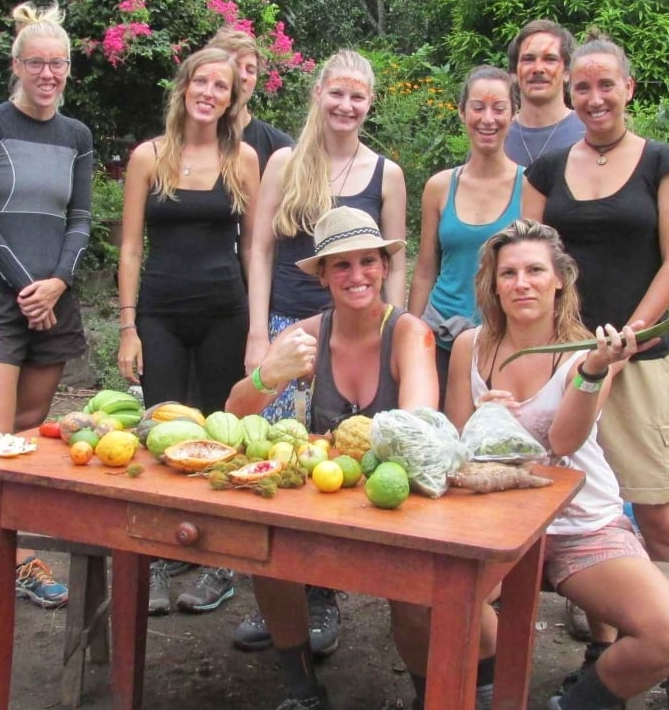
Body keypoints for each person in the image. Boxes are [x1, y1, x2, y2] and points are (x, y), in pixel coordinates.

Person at [522, 32, 669, 710]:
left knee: (660, 514)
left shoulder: (663, 164)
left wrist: (634, 332)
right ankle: (603, 649)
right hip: (568, 362)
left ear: (630, 88)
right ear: (569, 93)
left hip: (639, 361)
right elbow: (528, 253)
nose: (593, 96)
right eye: (582, 86)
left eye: (606, 83)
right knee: (583, 506)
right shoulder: (549, 168)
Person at [445, 219, 669, 710]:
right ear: (492, 284)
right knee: (437, 602)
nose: (522, 284)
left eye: (535, 271)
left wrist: (591, 373)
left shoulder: (585, 353)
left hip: (577, 522)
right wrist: (481, 419)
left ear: (560, 278)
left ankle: (578, 702)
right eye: (508, 273)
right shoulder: (468, 347)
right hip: (492, 521)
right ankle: (490, 683)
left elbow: (563, 440)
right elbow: (456, 451)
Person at [225, 207, 451, 710]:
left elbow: (417, 430)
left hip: (398, 501)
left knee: (413, 596)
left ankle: (424, 695)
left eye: (367, 262)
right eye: (341, 266)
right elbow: (232, 413)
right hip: (325, 495)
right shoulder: (308, 334)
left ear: (385, 268)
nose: (357, 276)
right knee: (269, 560)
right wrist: (269, 374)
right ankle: (303, 690)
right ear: (323, 276)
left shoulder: (410, 333)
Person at [235, 48, 409, 654]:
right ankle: (287, 595)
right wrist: (260, 331)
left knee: (336, 462)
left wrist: (396, 330)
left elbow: (396, 259)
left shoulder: (385, 173)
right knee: (281, 467)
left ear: (370, 103)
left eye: (358, 95)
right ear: (318, 94)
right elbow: (258, 249)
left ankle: (325, 598)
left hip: (355, 331)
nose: (346, 105)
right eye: (337, 93)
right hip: (288, 323)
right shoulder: (286, 161)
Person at [0, 2, 93, 647]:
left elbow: (81, 221)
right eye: (36, 62)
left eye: (57, 63)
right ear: (16, 65)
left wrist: (57, 285)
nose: (47, 73)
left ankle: (18, 562)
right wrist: (23, 287)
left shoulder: (77, 135)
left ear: (68, 68)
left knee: (28, 439)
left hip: (53, 300)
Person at [117, 46, 259, 616]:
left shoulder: (243, 159)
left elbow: (253, 247)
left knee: (223, 431)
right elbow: (129, 247)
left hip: (226, 309)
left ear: (231, 99)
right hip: (162, 312)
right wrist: (128, 327)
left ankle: (218, 560)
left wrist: (257, 329)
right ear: (184, 87)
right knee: (161, 430)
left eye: (220, 87)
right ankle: (153, 558)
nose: (209, 93)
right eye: (201, 82)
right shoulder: (148, 157)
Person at [408, 65, 524, 397]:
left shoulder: (530, 187)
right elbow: (426, 270)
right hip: (441, 335)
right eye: (478, 107)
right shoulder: (440, 187)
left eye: (499, 108)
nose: (488, 118)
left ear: (513, 114)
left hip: (503, 341)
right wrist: (413, 339)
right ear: (462, 112)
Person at [207, 27, 294, 172]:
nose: (243, 76)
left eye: (250, 70)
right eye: (234, 65)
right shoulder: (188, 142)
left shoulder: (279, 147)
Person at [505, 20, 583, 167]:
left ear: (567, 72)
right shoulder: (495, 137)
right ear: (514, 73)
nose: (538, 69)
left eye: (549, 59)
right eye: (528, 59)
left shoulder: (589, 133)